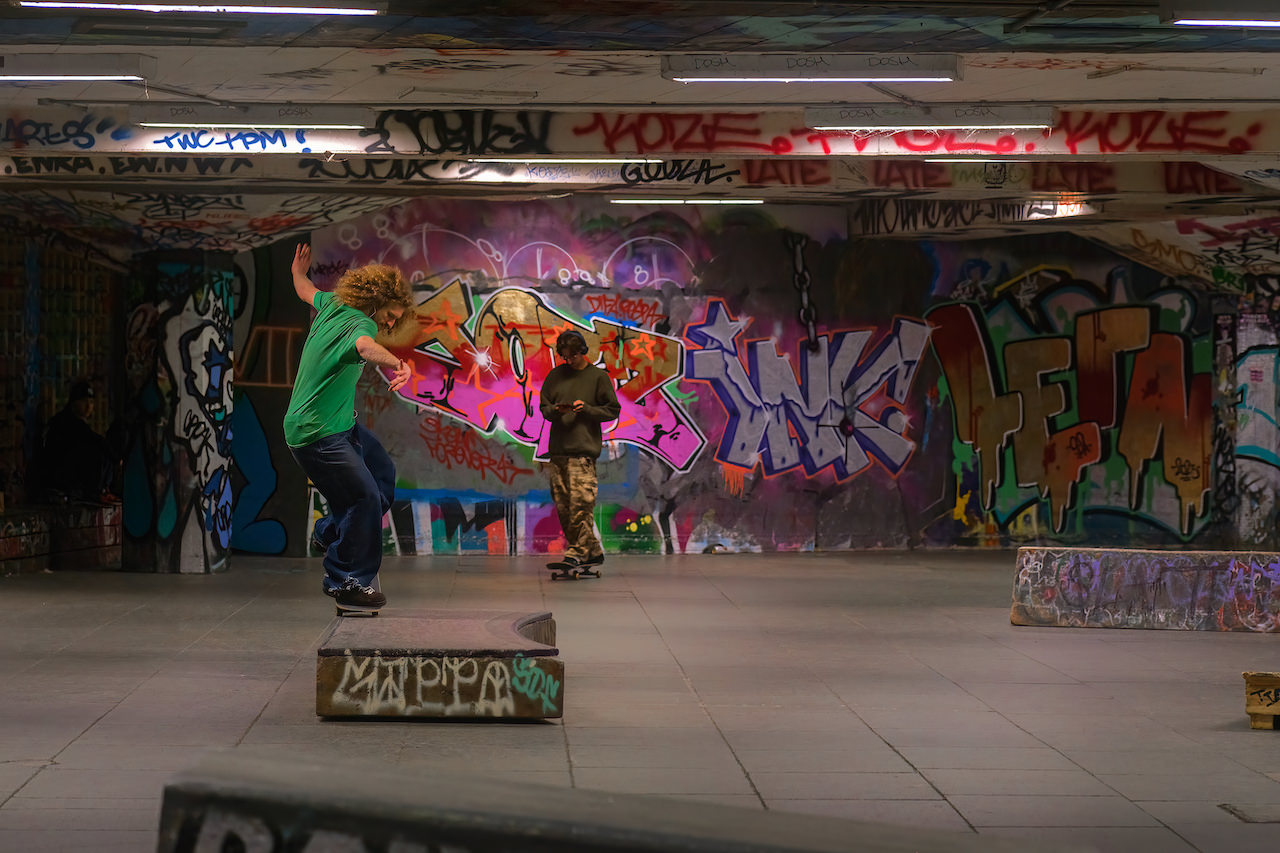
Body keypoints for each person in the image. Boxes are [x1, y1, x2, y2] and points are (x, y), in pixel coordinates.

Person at [283, 243, 412, 613]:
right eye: (389, 315)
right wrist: (397, 363)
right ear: (375, 302)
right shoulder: (361, 322)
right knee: (364, 497)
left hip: (339, 427)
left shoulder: (331, 306)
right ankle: (348, 580)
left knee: (383, 475)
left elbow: (305, 290)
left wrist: (298, 273)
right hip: (317, 434)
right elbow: (365, 346)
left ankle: (329, 534)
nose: (389, 323)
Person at [538, 329, 620, 572]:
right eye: (564, 356)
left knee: (581, 506)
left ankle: (576, 552)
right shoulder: (555, 376)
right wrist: (557, 410)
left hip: (583, 453)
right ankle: (592, 551)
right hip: (558, 451)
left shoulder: (597, 377)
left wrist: (587, 410)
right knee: (563, 506)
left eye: (573, 355)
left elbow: (612, 410)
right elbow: (544, 407)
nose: (569, 360)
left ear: (582, 351)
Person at [41, 380, 117, 504]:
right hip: (60, 478)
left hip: (68, 477)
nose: (88, 406)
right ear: (74, 402)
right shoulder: (66, 422)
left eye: (91, 402)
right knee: (96, 453)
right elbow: (95, 440)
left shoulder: (77, 423)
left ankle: (101, 490)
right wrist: (116, 458)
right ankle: (94, 493)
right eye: (84, 401)